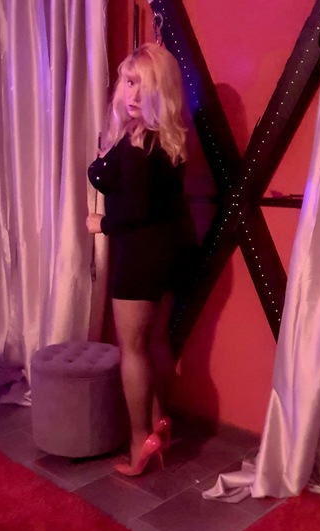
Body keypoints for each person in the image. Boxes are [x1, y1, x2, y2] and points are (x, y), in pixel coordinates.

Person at [86, 43, 192, 476]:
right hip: (169, 253)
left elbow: (134, 209)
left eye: (142, 85)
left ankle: (138, 441)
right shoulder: (167, 138)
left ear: (159, 91)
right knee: (157, 342)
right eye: (128, 82)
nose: (131, 93)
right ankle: (159, 423)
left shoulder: (136, 142)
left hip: (140, 254)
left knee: (131, 349)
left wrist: (100, 223)